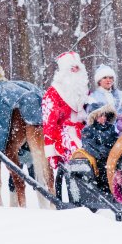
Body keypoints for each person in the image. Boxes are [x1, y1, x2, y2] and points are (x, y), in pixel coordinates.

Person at [42, 51, 89, 192]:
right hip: (63, 134)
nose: (75, 71)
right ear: (63, 71)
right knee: (78, 154)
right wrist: (51, 151)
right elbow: (49, 123)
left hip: (84, 130)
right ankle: (78, 193)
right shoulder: (53, 93)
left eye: (77, 68)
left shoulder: (84, 91)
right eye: (71, 68)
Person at [81, 102, 119, 190]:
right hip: (99, 158)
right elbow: (88, 145)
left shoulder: (110, 128)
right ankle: (106, 188)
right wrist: (100, 151)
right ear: (94, 117)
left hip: (113, 155)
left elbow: (115, 140)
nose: (104, 118)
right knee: (104, 170)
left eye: (105, 115)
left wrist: (113, 149)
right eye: (101, 116)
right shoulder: (88, 130)